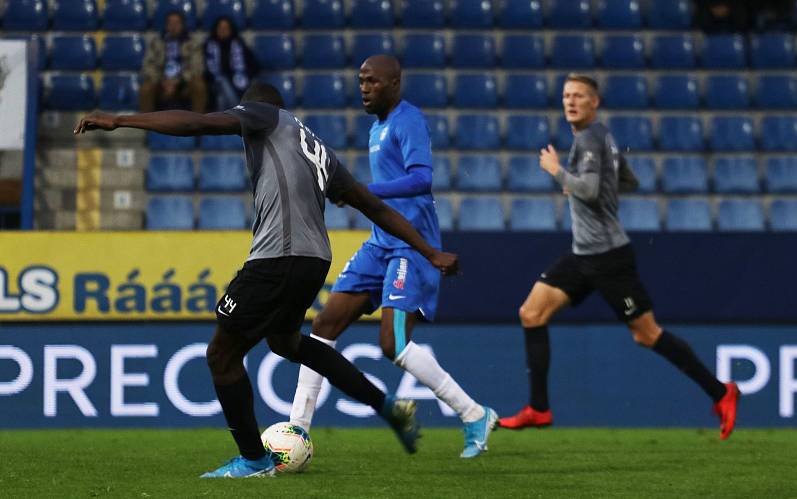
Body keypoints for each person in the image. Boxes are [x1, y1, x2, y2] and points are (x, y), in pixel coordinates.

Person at [74, 82, 460, 478]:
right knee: (286, 341)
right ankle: (386, 406)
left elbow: (197, 123)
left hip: (278, 257)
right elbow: (373, 205)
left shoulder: (264, 116)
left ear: (250, 108)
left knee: (221, 356)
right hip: (314, 261)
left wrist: (120, 119)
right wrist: (430, 251)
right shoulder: (318, 149)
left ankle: (255, 460)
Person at [498, 74, 741, 440]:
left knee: (646, 335)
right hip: (583, 254)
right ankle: (538, 408)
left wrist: (558, 173)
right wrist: (583, 186)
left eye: (579, 95)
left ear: (595, 102)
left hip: (609, 259)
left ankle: (722, 393)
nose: (571, 101)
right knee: (531, 313)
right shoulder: (604, 137)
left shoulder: (591, 140)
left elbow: (593, 191)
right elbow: (630, 182)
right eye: (566, 95)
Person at [288, 55, 497, 459]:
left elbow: (423, 178)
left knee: (393, 343)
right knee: (324, 324)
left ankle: (474, 413)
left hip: (411, 244)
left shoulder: (408, 120)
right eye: (360, 81)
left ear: (395, 84)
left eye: (372, 82)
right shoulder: (376, 128)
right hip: (379, 243)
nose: (364, 88)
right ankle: (298, 430)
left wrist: (366, 192)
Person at [139, 10, 207, 113]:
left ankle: (198, 124)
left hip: (184, 84)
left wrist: (178, 81)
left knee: (199, 85)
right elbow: (148, 65)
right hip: (161, 83)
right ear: (166, 25)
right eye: (170, 23)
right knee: (146, 88)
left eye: (177, 23)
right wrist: (162, 80)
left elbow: (197, 67)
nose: (173, 26)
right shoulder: (157, 42)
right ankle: (146, 124)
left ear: (182, 25)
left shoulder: (192, 43)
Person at [203, 16, 259, 111]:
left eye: (226, 28)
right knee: (222, 81)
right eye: (220, 28)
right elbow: (204, 69)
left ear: (231, 30)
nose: (223, 30)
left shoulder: (239, 45)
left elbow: (255, 67)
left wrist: (246, 77)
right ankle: (236, 112)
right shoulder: (208, 45)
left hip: (237, 84)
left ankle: (224, 121)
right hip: (214, 84)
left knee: (221, 98)